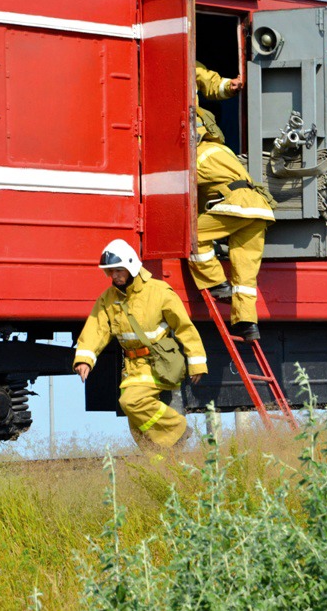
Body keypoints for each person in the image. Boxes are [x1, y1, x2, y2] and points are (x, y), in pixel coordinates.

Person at [73, 239, 207, 456]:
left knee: (130, 402)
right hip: (131, 367)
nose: (114, 275)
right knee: (137, 426)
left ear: (131, 266)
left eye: (118, 270)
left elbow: (184, 328)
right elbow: (96, 329)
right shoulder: (108, 299)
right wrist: (84, 359)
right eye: (110, 271)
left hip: (157, 363)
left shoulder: (159, 291)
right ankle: (159, 464)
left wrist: (197, 362)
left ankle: (178, 430)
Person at [189, 63, 274, 341]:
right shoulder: (223, 150)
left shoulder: (198, 156)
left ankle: (216, 283)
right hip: (260, 210)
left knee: (191, 237)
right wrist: (229, 85)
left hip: (236, 205)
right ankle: (247, 324)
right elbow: (211, 81)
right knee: (245, 274)